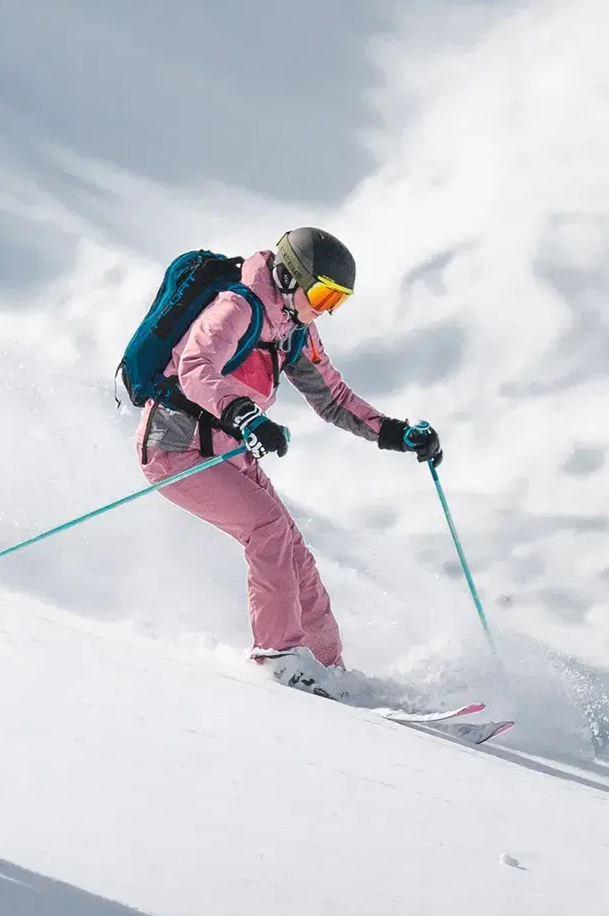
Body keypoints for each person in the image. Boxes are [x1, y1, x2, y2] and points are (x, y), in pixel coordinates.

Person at [134, 228, 442, 694]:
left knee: (296, 556)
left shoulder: (293, 329)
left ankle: (328, 670)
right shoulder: (237, 307)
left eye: (336, 301)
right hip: (176, 447)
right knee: (268, 530)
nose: (324, 309)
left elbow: (333, 398)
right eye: (322, 295)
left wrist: (393, 432)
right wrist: (244, 414)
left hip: (227, 451)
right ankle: (279, 656)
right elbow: (196, 368)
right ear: (287, 277)